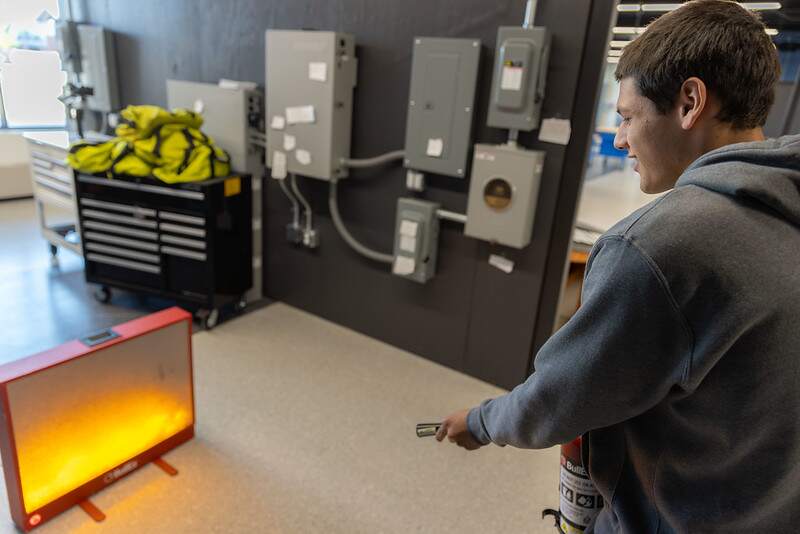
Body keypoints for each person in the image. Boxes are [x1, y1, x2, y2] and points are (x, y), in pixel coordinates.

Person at [436, 1, 800, 532]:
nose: (622, 138)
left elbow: (561, 397)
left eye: (628, 116)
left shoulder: (659, 248)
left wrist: (480, 420)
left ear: (690, 102)